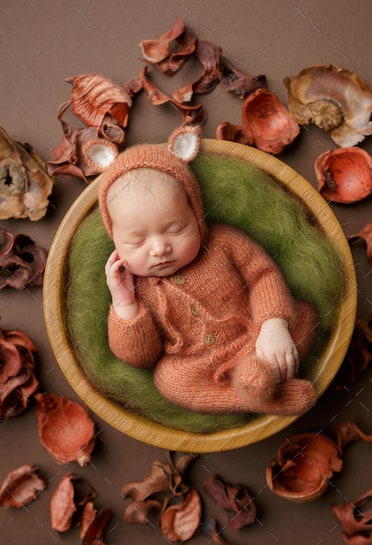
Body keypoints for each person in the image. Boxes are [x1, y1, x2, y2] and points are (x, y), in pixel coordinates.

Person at [96, 125, 319, 416]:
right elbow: (142, 357)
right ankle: (254, 397)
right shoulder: (135, 289)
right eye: (136, 241)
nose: (159, 249)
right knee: (168, 379)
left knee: (303, 316)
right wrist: (124, 304)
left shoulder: (223, 243)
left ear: (197, 215)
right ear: (115, 241)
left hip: (257, 339)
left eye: (175, 229)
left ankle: (259, 377)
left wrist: (272, 325)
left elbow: (263, 275)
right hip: (200, 365)